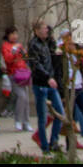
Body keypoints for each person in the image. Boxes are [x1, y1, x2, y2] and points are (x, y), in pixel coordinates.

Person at [28, 19, 65, 153]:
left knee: (60, 112)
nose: (47, 30)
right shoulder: (33, 45)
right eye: (44, 29)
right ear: (37, 31)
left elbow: (53, 57)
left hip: (51, 83)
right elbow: (35, 65)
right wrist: (48, 77)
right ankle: (44, 146)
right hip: (41, 84)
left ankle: (54, 141)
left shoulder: (46, 43)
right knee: (42, 116)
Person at [2, 25, 32, 131]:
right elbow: (8, 59)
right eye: (12, 34)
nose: (14, 36)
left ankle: (26, 122)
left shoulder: (19, 45)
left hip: (23, 72)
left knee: (26, 98)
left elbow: (26, 57)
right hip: (14, 74)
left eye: (15, 34)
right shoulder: (5, 46)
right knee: (21, 96)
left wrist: (24, 54)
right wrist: (14, 53)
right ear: (8, 35)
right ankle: (18, 120)